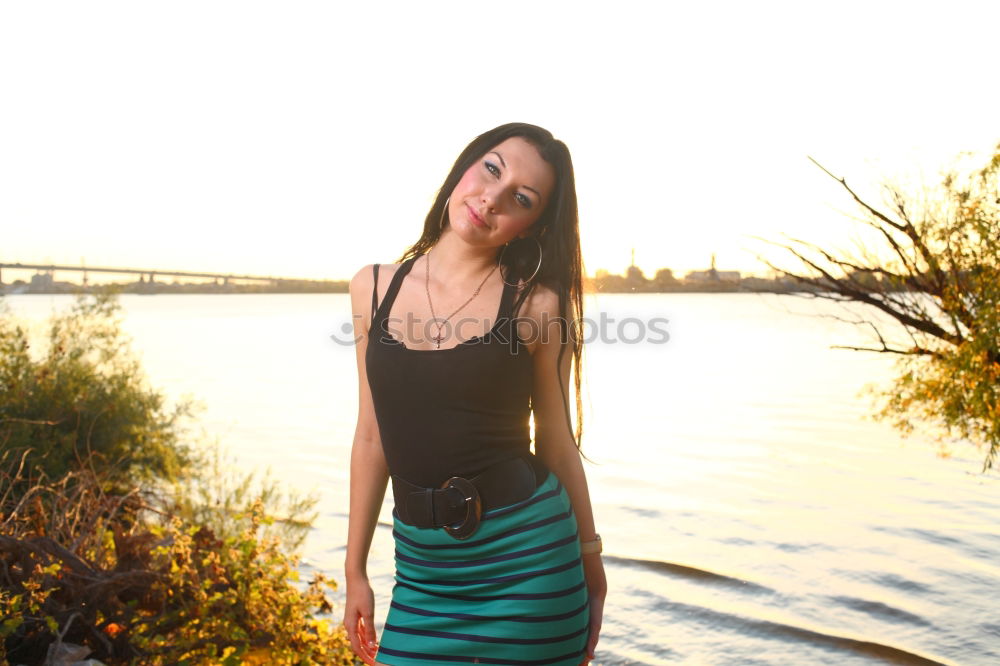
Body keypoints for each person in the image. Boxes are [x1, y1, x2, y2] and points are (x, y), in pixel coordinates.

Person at [343, 122, 606, 666]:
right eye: (491, 168)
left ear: (532, 227)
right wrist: (355, 572)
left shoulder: (537, 305)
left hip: (529, 567)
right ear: (464, 166)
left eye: (521, 198)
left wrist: (590, 557)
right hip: (421, 573)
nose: (491, 198)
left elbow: (556, 444)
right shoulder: (371, 288)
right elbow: (372, 438)